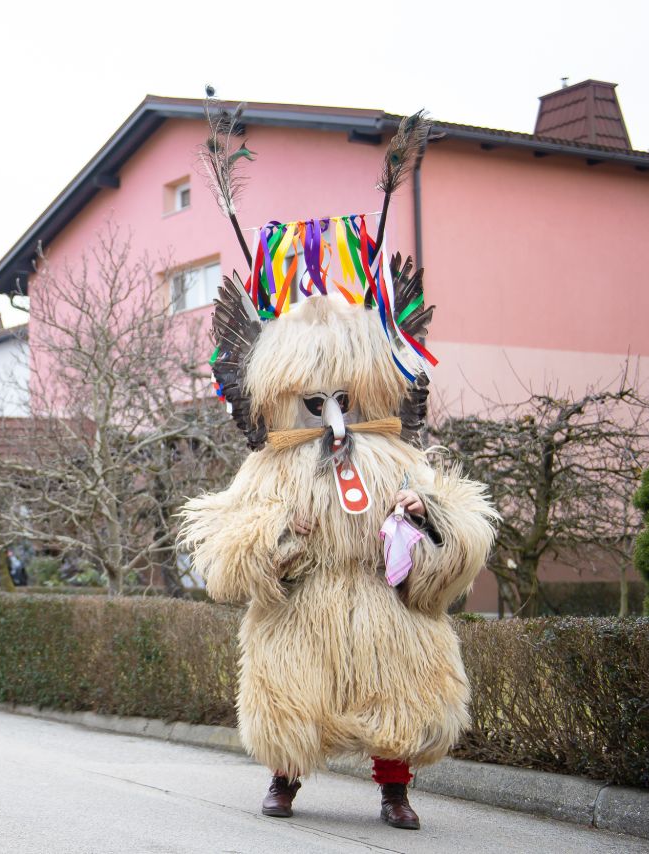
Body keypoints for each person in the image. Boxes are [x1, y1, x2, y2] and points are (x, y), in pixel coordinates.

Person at [182, 108, 496, 830]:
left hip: (385, 608)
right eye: (316, 399)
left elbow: (462, 531)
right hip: (301, 609)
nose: (331, 413)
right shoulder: (271, 464)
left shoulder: (397, 453)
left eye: (343, 397)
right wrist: (275, 538)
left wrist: (430, 521)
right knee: (295, 697)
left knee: (399, 697)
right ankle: (284, 780)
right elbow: (224, 555)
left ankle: (395, 790)